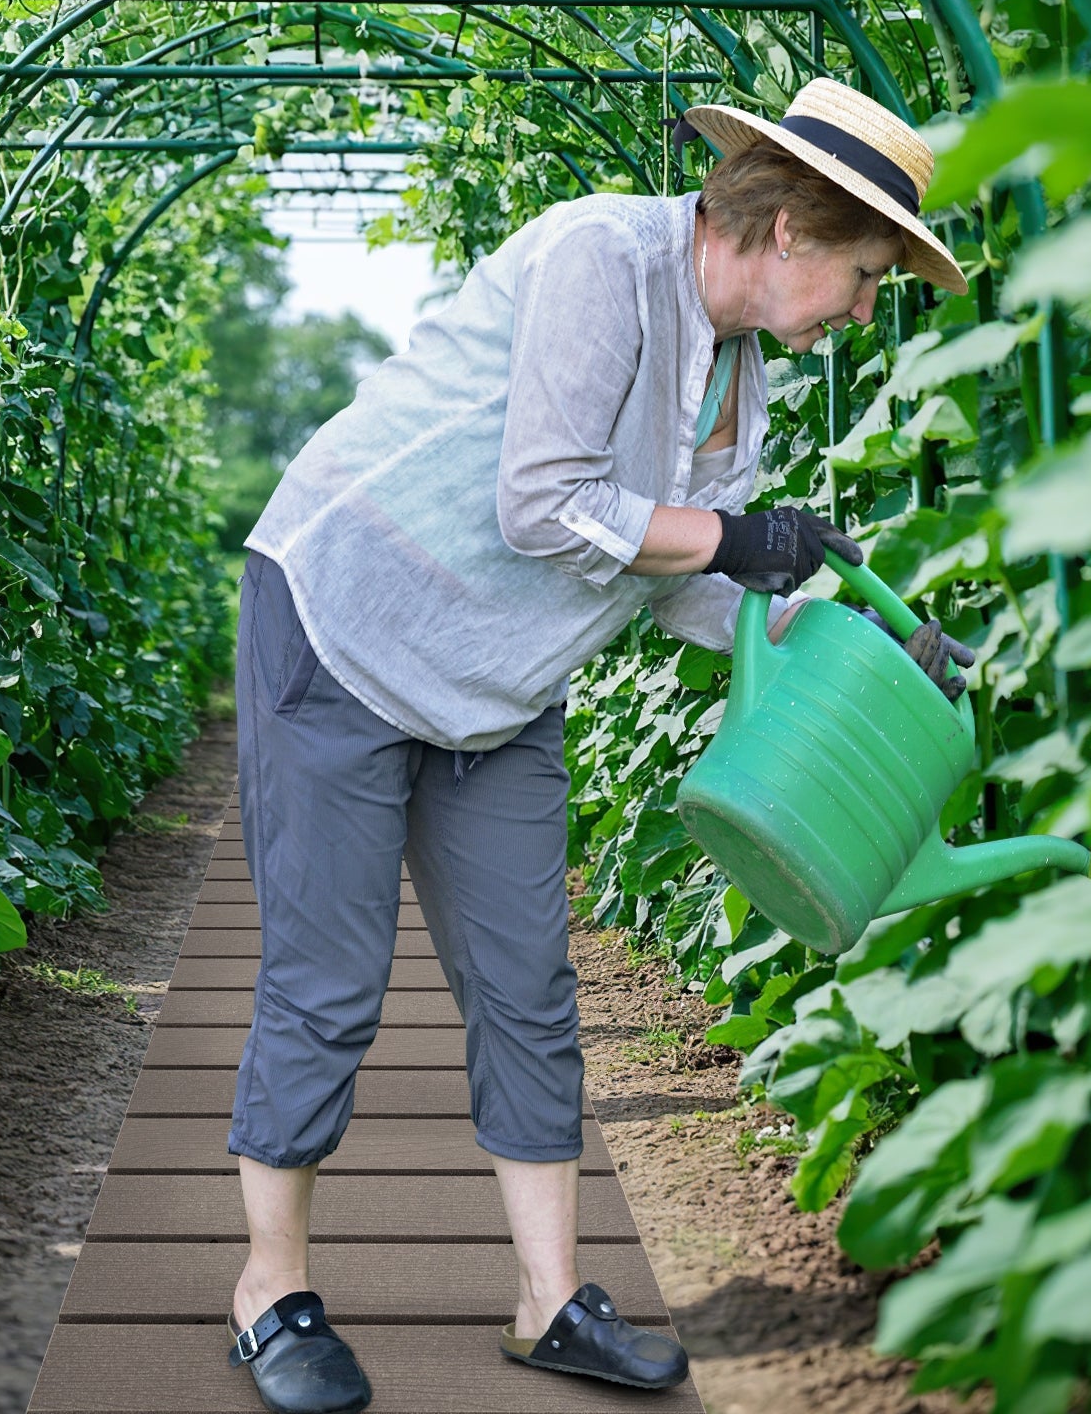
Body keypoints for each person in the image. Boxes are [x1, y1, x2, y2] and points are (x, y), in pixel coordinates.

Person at [223, 77, 975, 1414]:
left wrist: (834, 627)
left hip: (500, 682)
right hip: (348, 615)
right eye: (866, 277)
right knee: (329, 980)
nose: (866, 310)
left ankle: (549, 1304)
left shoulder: (740, 379)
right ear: (793, 228)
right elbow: (543, 504)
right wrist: (742, 542)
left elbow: (685, 580)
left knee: (527, 986)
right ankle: (270, 1297)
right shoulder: (601, 257)